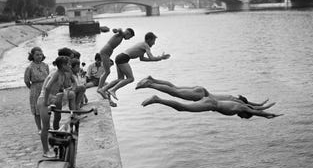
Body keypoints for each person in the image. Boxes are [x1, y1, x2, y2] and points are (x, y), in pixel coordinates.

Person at [98, 32, 171, 101]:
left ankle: (103, 89)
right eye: (153, 41)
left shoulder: (143, 45)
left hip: (120, 57)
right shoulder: (146, 45)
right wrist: (161, 58)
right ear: (149, 40)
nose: (154, 43)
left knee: (120, 79)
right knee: (130, 78)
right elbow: (151, 57)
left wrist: (158, 58)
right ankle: (112, 90)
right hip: (123, 58)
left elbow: (142, 59)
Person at [136, 76, 270, 107]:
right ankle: (150, 85)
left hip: (201, 90)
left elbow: (247, 104)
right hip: (201, 95)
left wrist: (259, 104)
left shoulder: (232, 97)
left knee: (174, 88)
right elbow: (247, 105)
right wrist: (258, 105)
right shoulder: (235, 102)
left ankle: (152, 79)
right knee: (175, 92)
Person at [37, 56, 78, 158]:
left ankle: (52, 143)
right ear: (63, 65)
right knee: (45, 127)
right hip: (43, 100)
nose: (70, 66)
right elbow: (47, 88)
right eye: (68, 64)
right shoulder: (56, 74)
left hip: (51, 99)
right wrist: (46, 101)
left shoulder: (62, 74)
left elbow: (62, 88)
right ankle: (45, 151)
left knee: (53, 121)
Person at [142, 95, 283, 119]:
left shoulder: (241, 105)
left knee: (183, 107)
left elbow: (255, 108)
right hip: (211, 103)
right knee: (182, 108)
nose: (241, 118)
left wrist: (264, 106)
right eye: (244, 118)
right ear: (246, 114)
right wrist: (270, 115)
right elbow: (256, 111)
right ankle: (157, 99)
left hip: (210, 102)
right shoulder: (242, 109)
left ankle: (158, 99)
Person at [97, 28, 135, 94]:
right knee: (107, 71)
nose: (129, 39)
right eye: (130, 37)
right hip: (105, 52)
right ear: (127, 33)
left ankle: (101, 88)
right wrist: (118, 31)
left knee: (108, 72)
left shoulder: (121, 36)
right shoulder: (121, 34)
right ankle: (99, 88)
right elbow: (120, 30)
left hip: (107, 52)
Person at [24, 47, 49, 134]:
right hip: (35, 89)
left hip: (45, 87)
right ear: (32, 56)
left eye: (40, 54)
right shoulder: (29, 67)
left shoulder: (45, 65)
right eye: (37, 55)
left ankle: (47, 126)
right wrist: (32, 88)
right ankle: (39, 128)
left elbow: (49, 77)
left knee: (47, 108)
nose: (39, 56)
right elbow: (27, 81)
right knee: (37, 111)